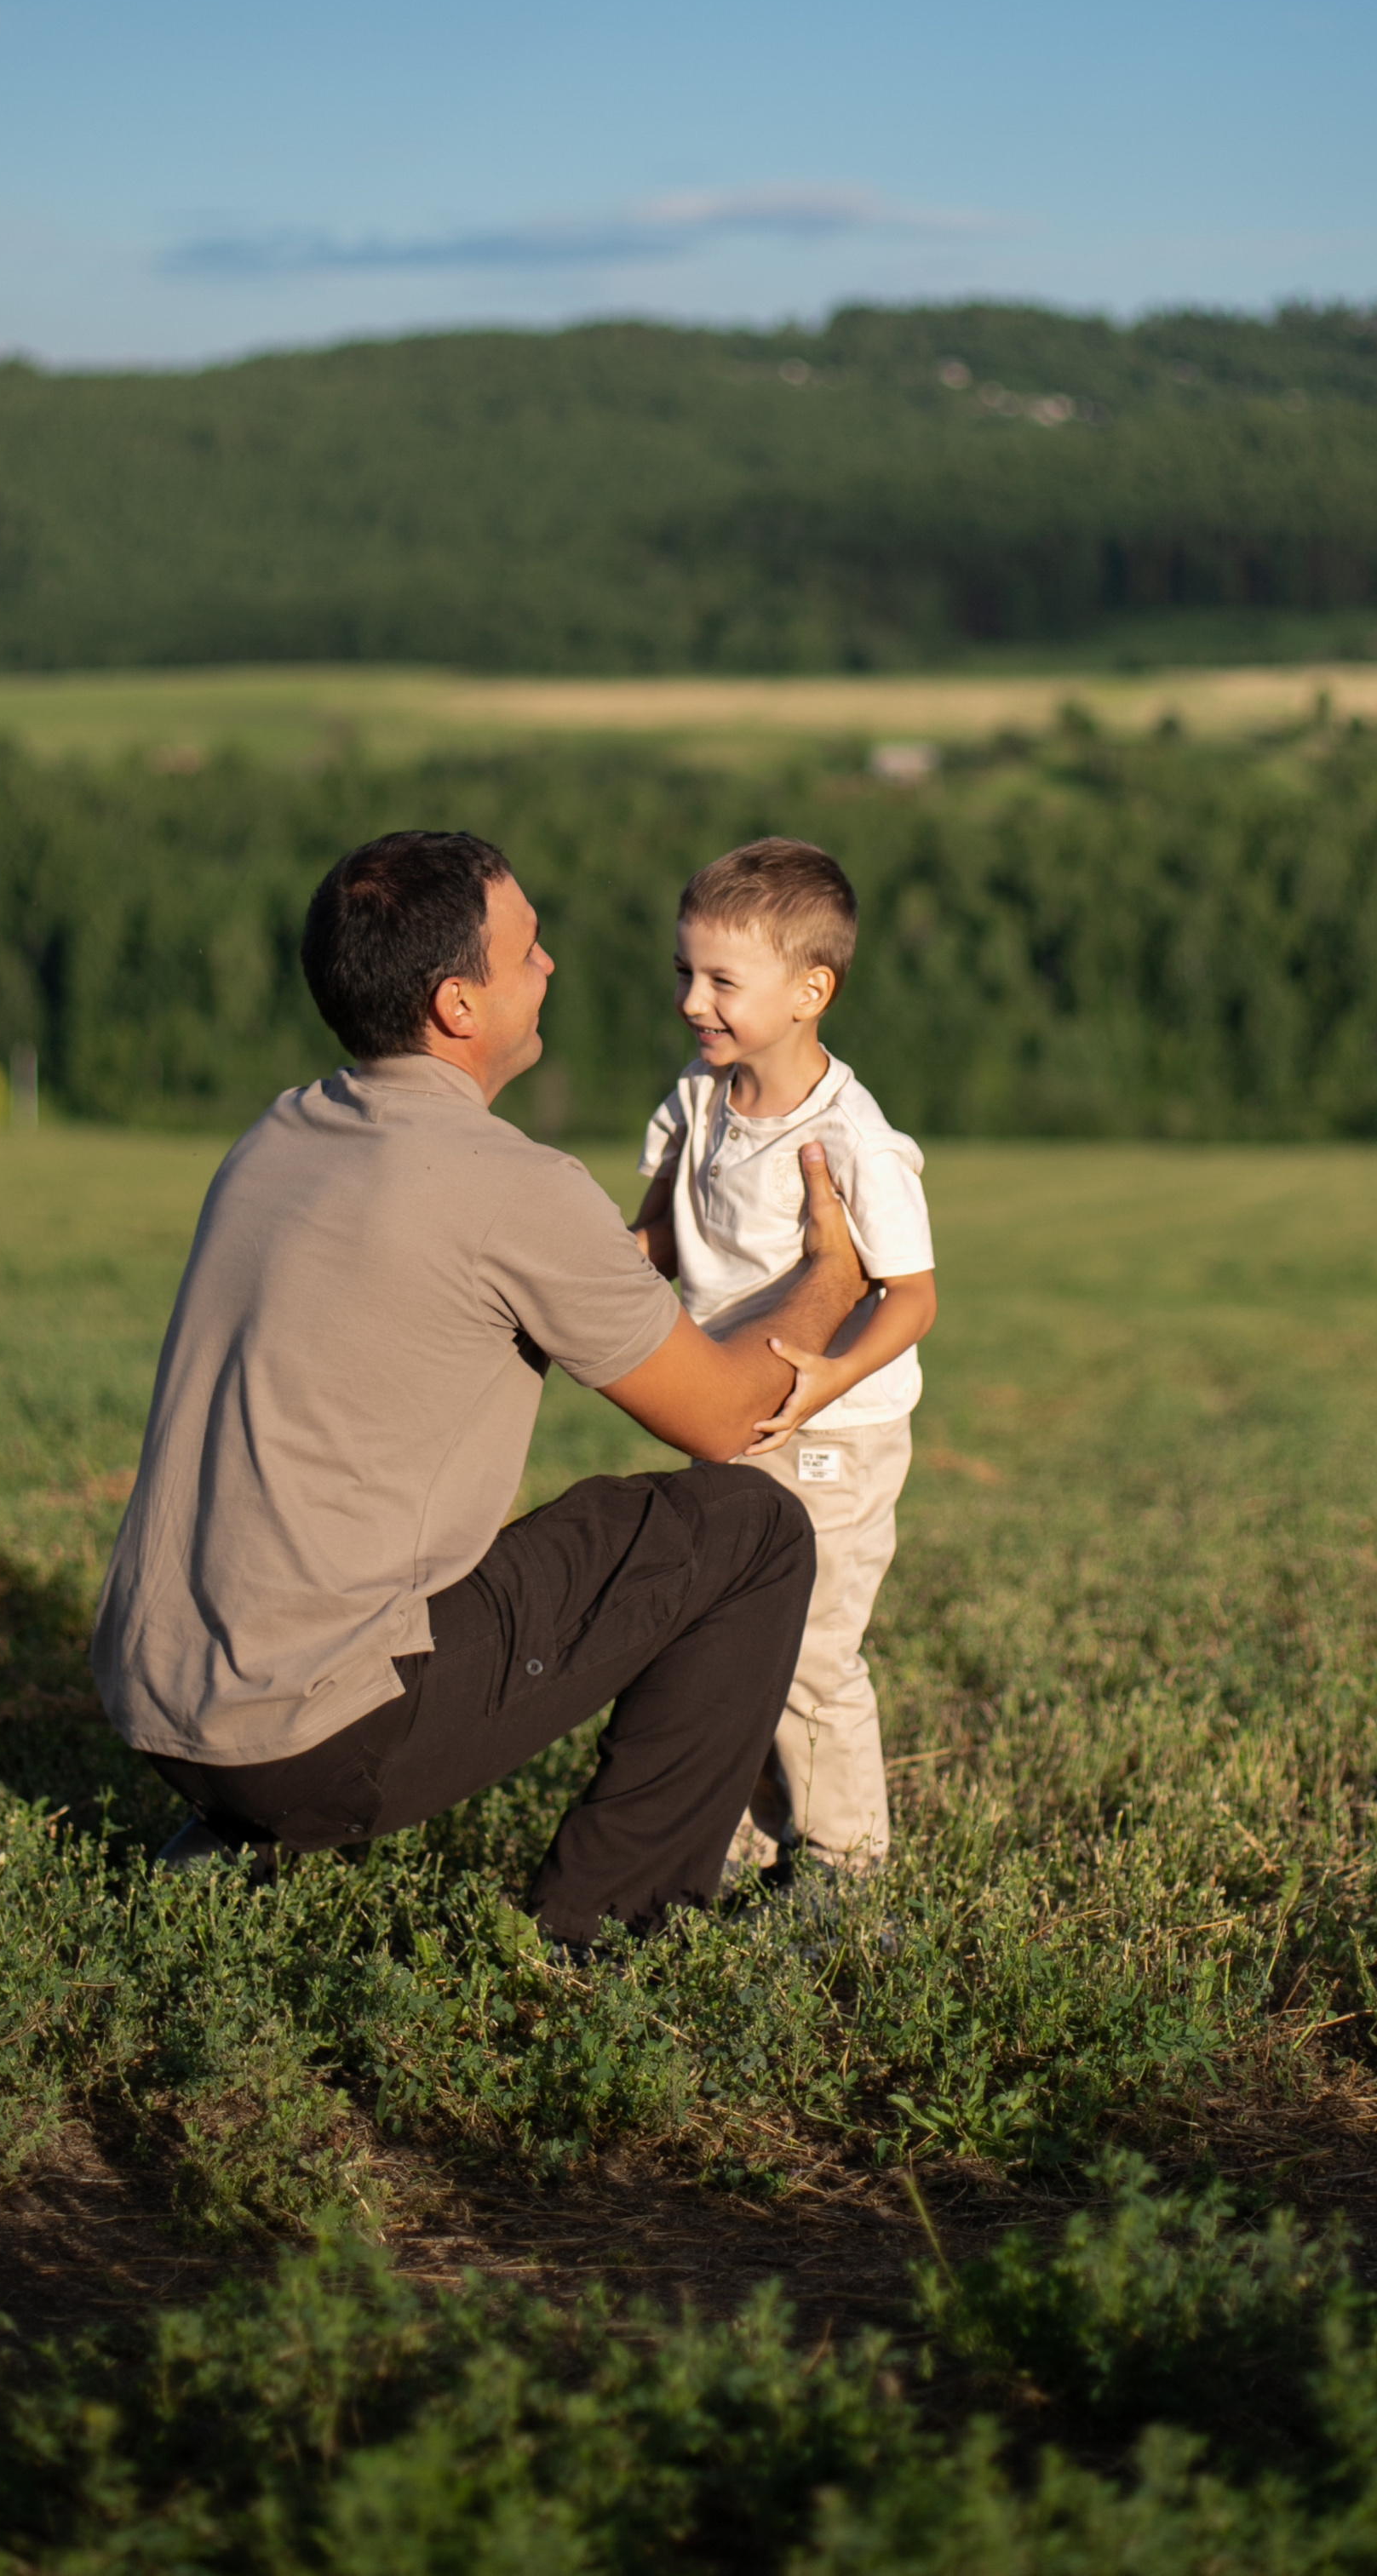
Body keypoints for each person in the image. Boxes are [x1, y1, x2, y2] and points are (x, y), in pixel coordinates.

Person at [90, 828, 869, 1950]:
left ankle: (234, 1830)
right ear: (460, 1006)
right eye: (528, 952)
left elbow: (500, 1284)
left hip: (159, 1710)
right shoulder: (512, 1189)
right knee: (749, 1528)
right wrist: (831, 1277)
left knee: (602, 1527)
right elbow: (723, 1417)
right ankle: (606, 1929)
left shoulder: (279, 1132)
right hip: (316, 1740)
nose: (549, 968)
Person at [631, 839, 935, 1879]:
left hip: (834, 1439)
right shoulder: (698, 1098)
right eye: (685, 972)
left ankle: (846, 1873)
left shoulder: (853, 1137)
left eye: (722, 981)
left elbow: (913, 1295)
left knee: (807, 1653)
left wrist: (834, 1376)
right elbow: (657, 1237)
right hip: (731, 1419)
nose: (691, 1001)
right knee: (730, 1640)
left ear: (811, 990)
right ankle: (754, 1840)